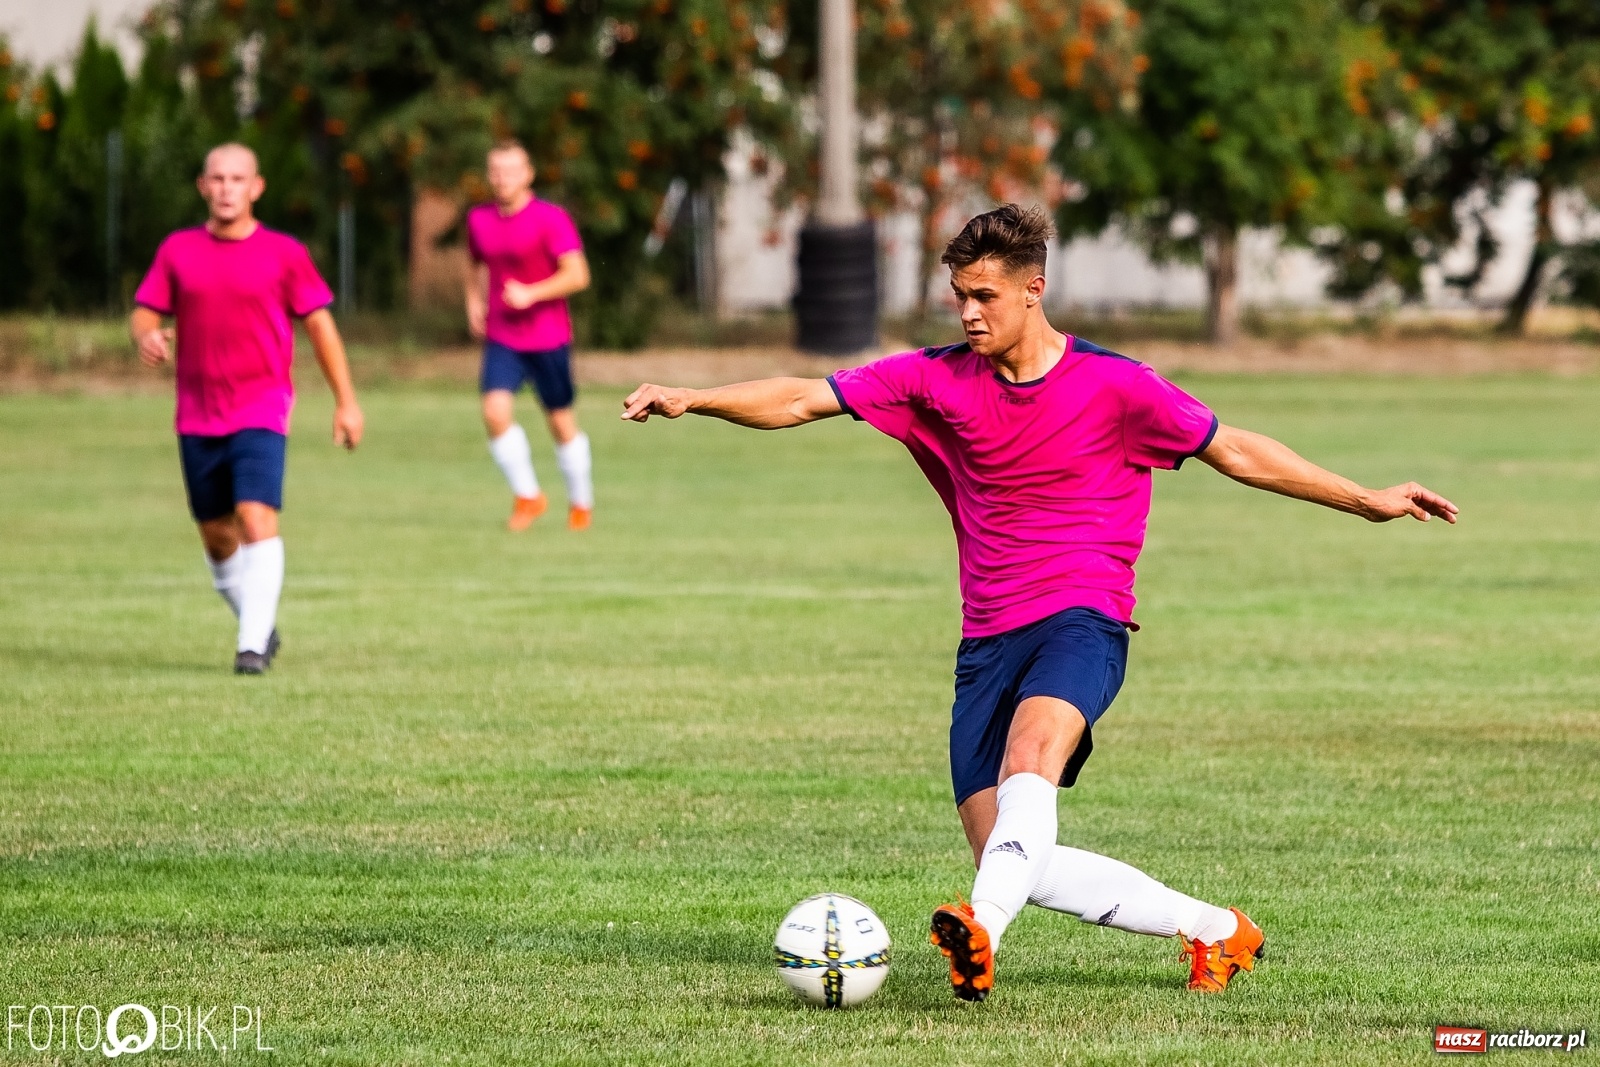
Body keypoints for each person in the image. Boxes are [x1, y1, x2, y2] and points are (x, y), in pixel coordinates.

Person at [621, 204, 1458, 1001]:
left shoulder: (1119, 387)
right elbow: (803, 396)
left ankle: (980, 932)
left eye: (985, 296)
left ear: (1034, 289)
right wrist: (696, 397)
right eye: (959, 296)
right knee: (1012, 855)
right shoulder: (933, 379)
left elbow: (1236, 450)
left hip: (1083, 617)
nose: (969, 314)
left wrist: (1368, 499)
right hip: (986, 637)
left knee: (1033, 759)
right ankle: (1215, 929)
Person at [131, 142, 364, 675]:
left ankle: (251, 648)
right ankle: (257, 623)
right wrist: (146, 336)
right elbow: (145, 311)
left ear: (256, 188)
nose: (227, 188)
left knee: (257, 517)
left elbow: (321, 327)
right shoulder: (178, 251)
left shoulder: (284, 253)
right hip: (196, 410)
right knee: (217, 536)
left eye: (238, 179)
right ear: (203, 186)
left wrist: (346, 402)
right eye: (218, 179)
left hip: (262, 405)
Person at [463, 139, 595, 531]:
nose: (502, 179)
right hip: (503, 335)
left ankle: (581, 503)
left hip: (548, 336)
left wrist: (531, 293)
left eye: (511, 171)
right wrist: (472, 301)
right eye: (495, 171)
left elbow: (578, 275)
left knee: (559, 422)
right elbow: (472, 264)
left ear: (528, 174)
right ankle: (528, 496)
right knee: (494, 412)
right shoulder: (479, 219)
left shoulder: (550, 219)